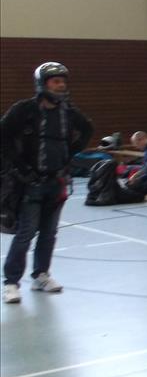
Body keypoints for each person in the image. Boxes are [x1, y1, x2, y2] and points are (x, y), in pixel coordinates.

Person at [2, 62, 93, 304]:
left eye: (63, 81)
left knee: (49, 233)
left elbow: (87, 129)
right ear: (42, 84)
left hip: (57, 182)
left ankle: (41, 275)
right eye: (55, 81)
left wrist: (70, 153)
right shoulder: (24, 110)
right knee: (26, 233)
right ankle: (11, 283)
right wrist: (20, 166)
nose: (61, 85)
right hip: (30, 183)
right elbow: (4, 136)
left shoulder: (68, 112)